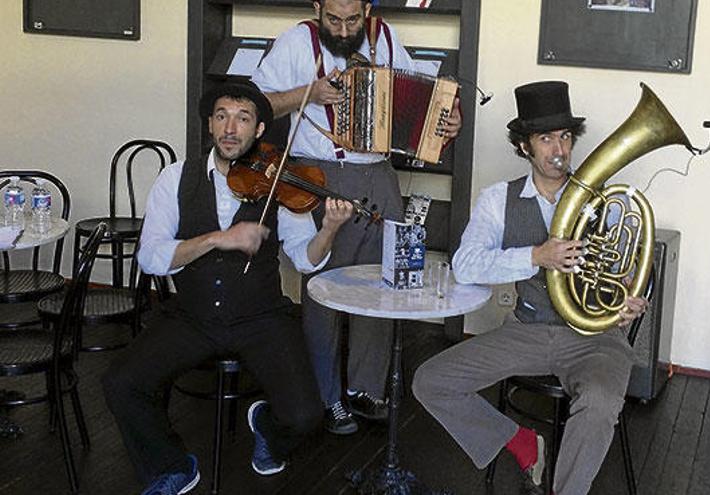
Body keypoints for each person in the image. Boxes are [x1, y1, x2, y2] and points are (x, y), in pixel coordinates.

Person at [102, 81, 354, 495]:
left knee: (306, 416)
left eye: (242, 118)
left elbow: (306, 259)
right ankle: (172, 466)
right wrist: (216, 239)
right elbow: (150, 256)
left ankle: (267, 428)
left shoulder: (280, 181)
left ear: (258, 130)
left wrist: (328, 229)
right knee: (120, 382)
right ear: (210, 125)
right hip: (193, 315)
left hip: (261, 315)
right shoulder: (175, 177)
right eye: (222, 117)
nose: (230, 128)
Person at [411, 81, 648, 495]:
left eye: (565, 137)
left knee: (597, 403)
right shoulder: (496, 200)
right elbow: (464, 266)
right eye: (545, 139)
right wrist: (536, 256)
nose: (559, 150)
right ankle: (520, 441)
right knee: (430, 380)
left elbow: (620, 272)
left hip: (595, 337)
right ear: (524, 146)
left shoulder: (600, 201)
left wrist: (628, 298)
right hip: (526, 329)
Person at [251, 0, 462, 435]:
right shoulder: (296, 42)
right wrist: (309, 92)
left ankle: (367, 388)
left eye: (353, 19)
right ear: (317, 8)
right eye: (334, 19)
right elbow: (256, 105)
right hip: (318, 171)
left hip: (379, 173)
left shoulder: (384, 36)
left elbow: (418, 98)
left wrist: (445, 120)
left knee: (381, 281)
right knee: (325, 284)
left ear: (366, 8)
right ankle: (324, 395)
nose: (344, 29)